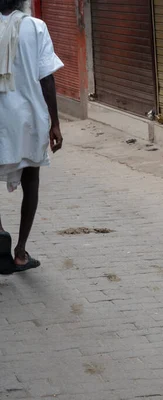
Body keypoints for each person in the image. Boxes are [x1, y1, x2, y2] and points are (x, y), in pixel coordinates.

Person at [0, 0, 63, 274]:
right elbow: (46, 77)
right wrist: (55, 124)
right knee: (31, 180)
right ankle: (20, 253)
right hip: (29, 117)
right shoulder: (36, 27)